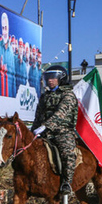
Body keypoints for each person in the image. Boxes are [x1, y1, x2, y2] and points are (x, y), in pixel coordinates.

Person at [31, 65, 78, 195]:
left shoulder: (68, 95)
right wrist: (33, 130)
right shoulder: (44, 96)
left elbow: (61, 113)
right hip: (45, 133)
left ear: (61, 79)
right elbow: (38, 115)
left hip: (63, 132)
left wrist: (45, 126)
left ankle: (66, 183)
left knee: (67, 153)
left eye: (53, 78)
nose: (50, 80)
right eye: (48, 78)